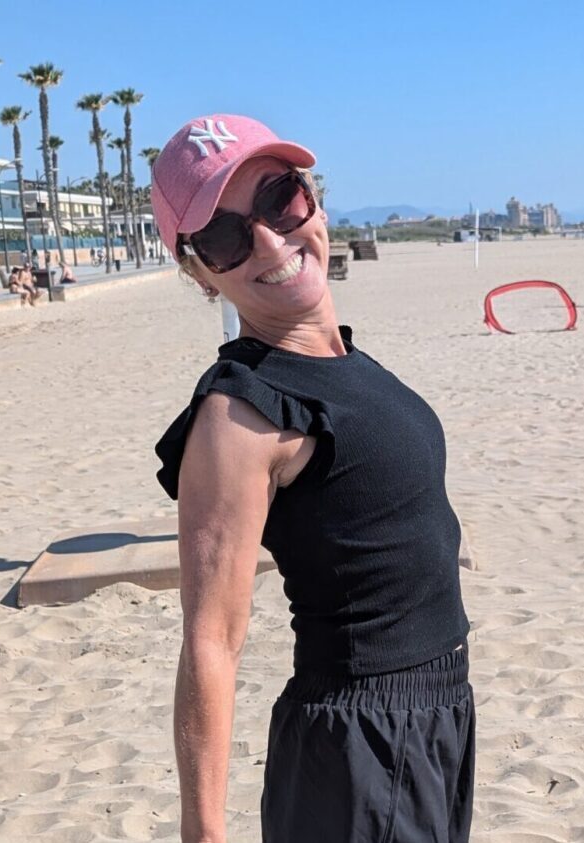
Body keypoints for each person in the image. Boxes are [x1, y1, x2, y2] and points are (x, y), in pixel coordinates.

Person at [152, 114, 474, 843]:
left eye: (281, 200)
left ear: (314, 200)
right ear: (200, 273)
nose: (271, 242)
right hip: (363, 742)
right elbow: (212, 640)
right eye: (226, 238)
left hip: (436, 714)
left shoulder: (343, 361)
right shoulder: (240, 414)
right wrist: (204, 832)